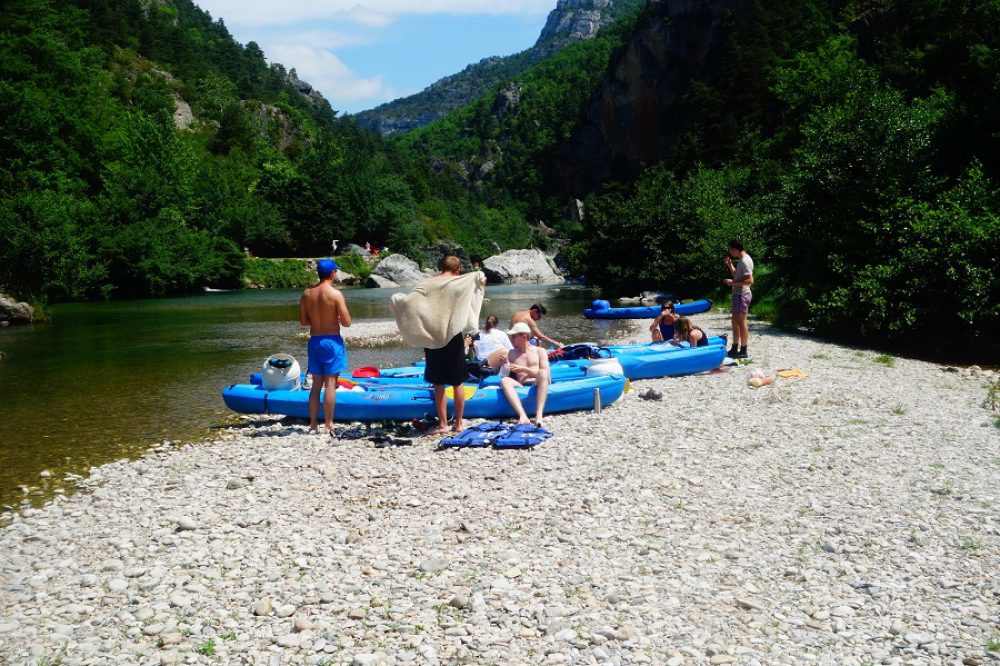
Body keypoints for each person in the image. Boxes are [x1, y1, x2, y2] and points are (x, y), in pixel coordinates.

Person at [299, 258, 352, 435]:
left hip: (315, 341)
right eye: (335, 272)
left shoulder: (307, 294)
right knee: (330, 383)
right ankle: (329, 424)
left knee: (316, 385)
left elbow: (304, 321)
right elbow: (347, 322)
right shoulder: (335, 294)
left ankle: (313, 424)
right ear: (331, 273)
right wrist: (334, 318)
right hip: (332, 341)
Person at [423, 256, 470, 434]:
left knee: (438, 382)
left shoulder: (429, 283)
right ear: (458, 270)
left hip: (433, 334)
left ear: (440, 267)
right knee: (457, 382)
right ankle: (458, 424)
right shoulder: (460, 283)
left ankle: (442, 424)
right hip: (453, 333)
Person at [500, 322, 551, 427]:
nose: (511, 339)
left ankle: (539, 415)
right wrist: (504, 365)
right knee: (504, 381)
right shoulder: (512, 353)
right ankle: (523, 416)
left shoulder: (540, 351)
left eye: (514, 336)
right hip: (521, 383)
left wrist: (524, 369)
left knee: (542, 372)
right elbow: (505, 375)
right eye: (510, 336)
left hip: (536, 382)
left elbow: (546, 375)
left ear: (524, 336)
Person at [723, 240, 754, 358]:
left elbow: (750, 281)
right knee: (735, 322)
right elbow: (738, 275)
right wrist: (730, 265)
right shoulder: (741, 260)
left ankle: (743, 350)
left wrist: (732, 282)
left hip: (742, 294)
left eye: (731, 250)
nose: (731, 253)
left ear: (735, 249)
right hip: (738, 295)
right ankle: (735, 347)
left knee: (741, 322)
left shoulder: (745, 260)